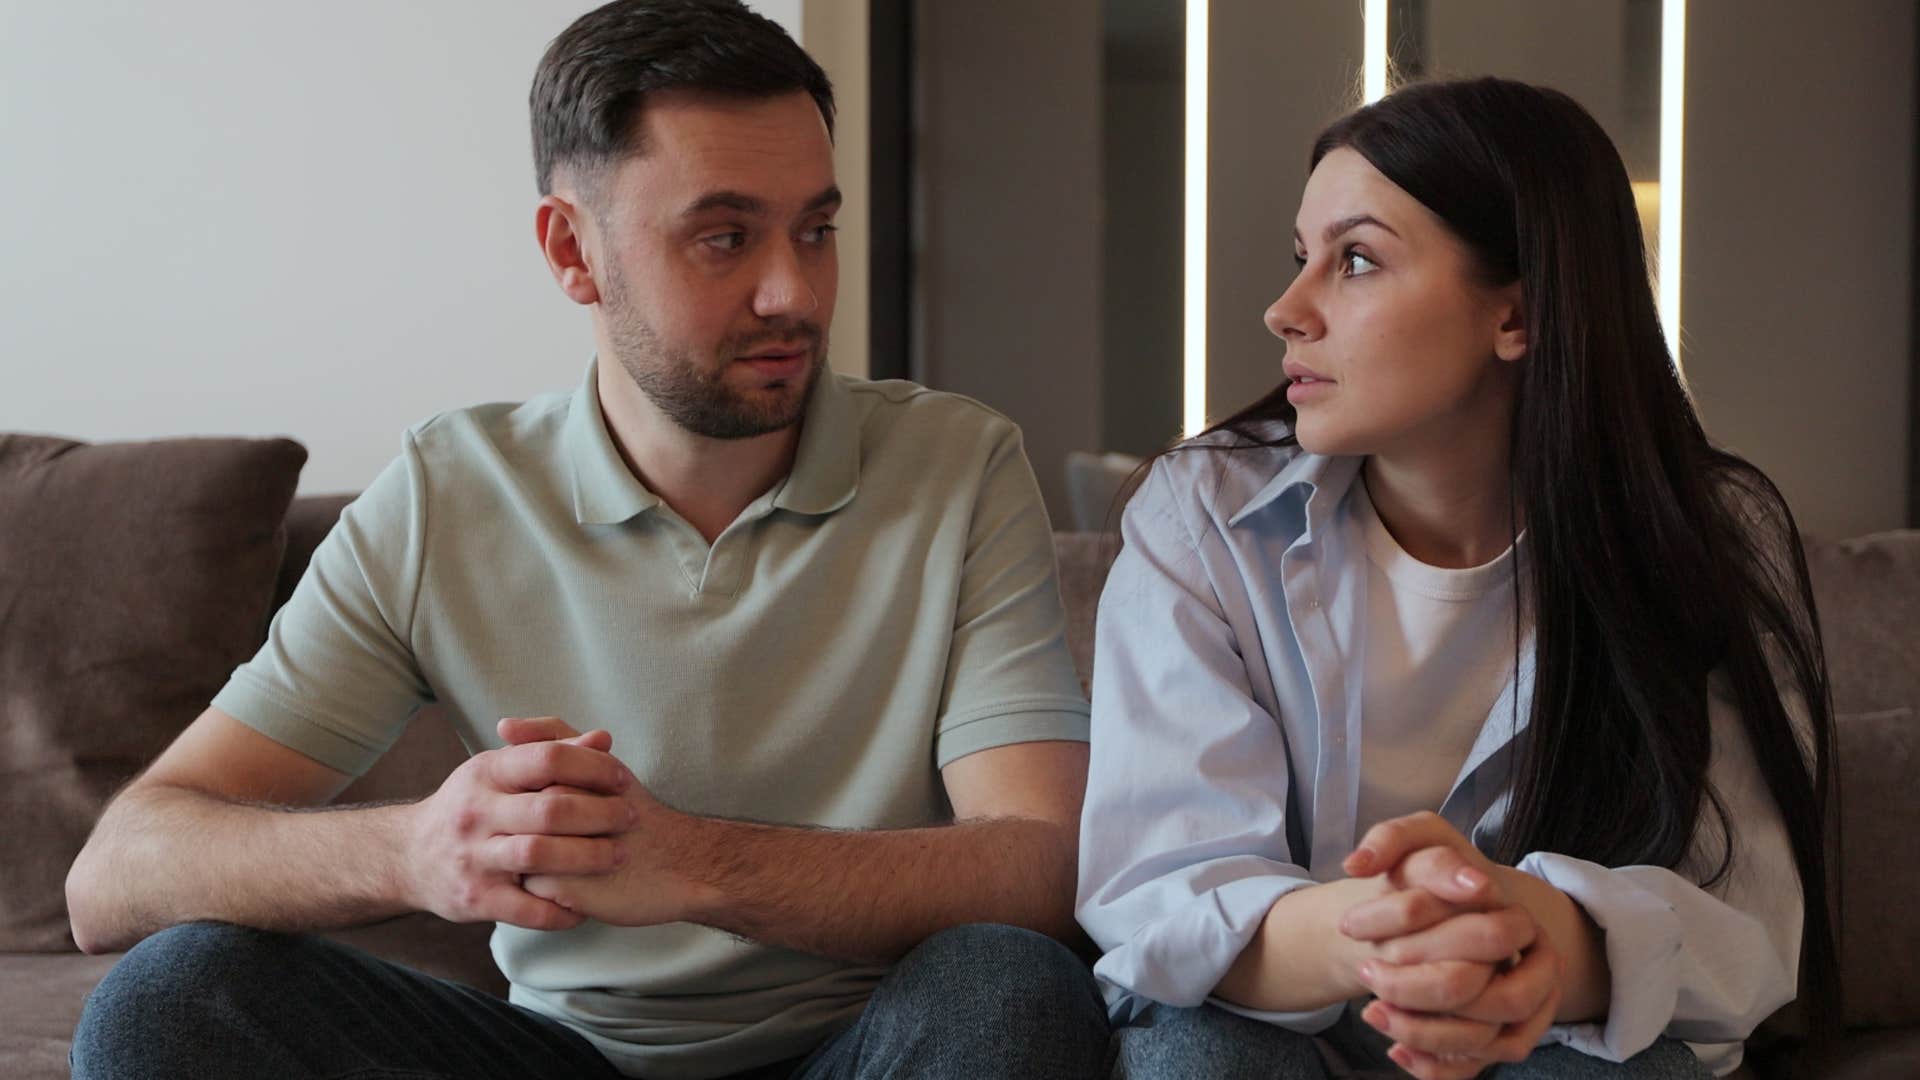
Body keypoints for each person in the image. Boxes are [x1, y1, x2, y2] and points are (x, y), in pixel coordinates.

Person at [65, 2, 1109, 1077]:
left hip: (869, 1051)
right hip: (566, 1061)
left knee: (1009, 984)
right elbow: (116, 876)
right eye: (723, 236)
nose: (794, 292)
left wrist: (698, 864)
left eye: (815, 229)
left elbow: (1044, 863)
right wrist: (415, 849)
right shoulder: (447, 496)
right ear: (573, 249)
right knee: (169, 1001)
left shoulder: (956, 465)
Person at [1077, 77, 1837, 1080]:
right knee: (1197, 1059)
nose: (1285, 310)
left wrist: (1548, 948)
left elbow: (1748, 927)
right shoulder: (1200, 516)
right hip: (1277, 1019)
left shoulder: (1705, 532)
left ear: (1516, 315)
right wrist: (1409, 925)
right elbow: (1161, 892)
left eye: (1354, 260)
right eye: (1300, 258)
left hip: (1543, 1029)